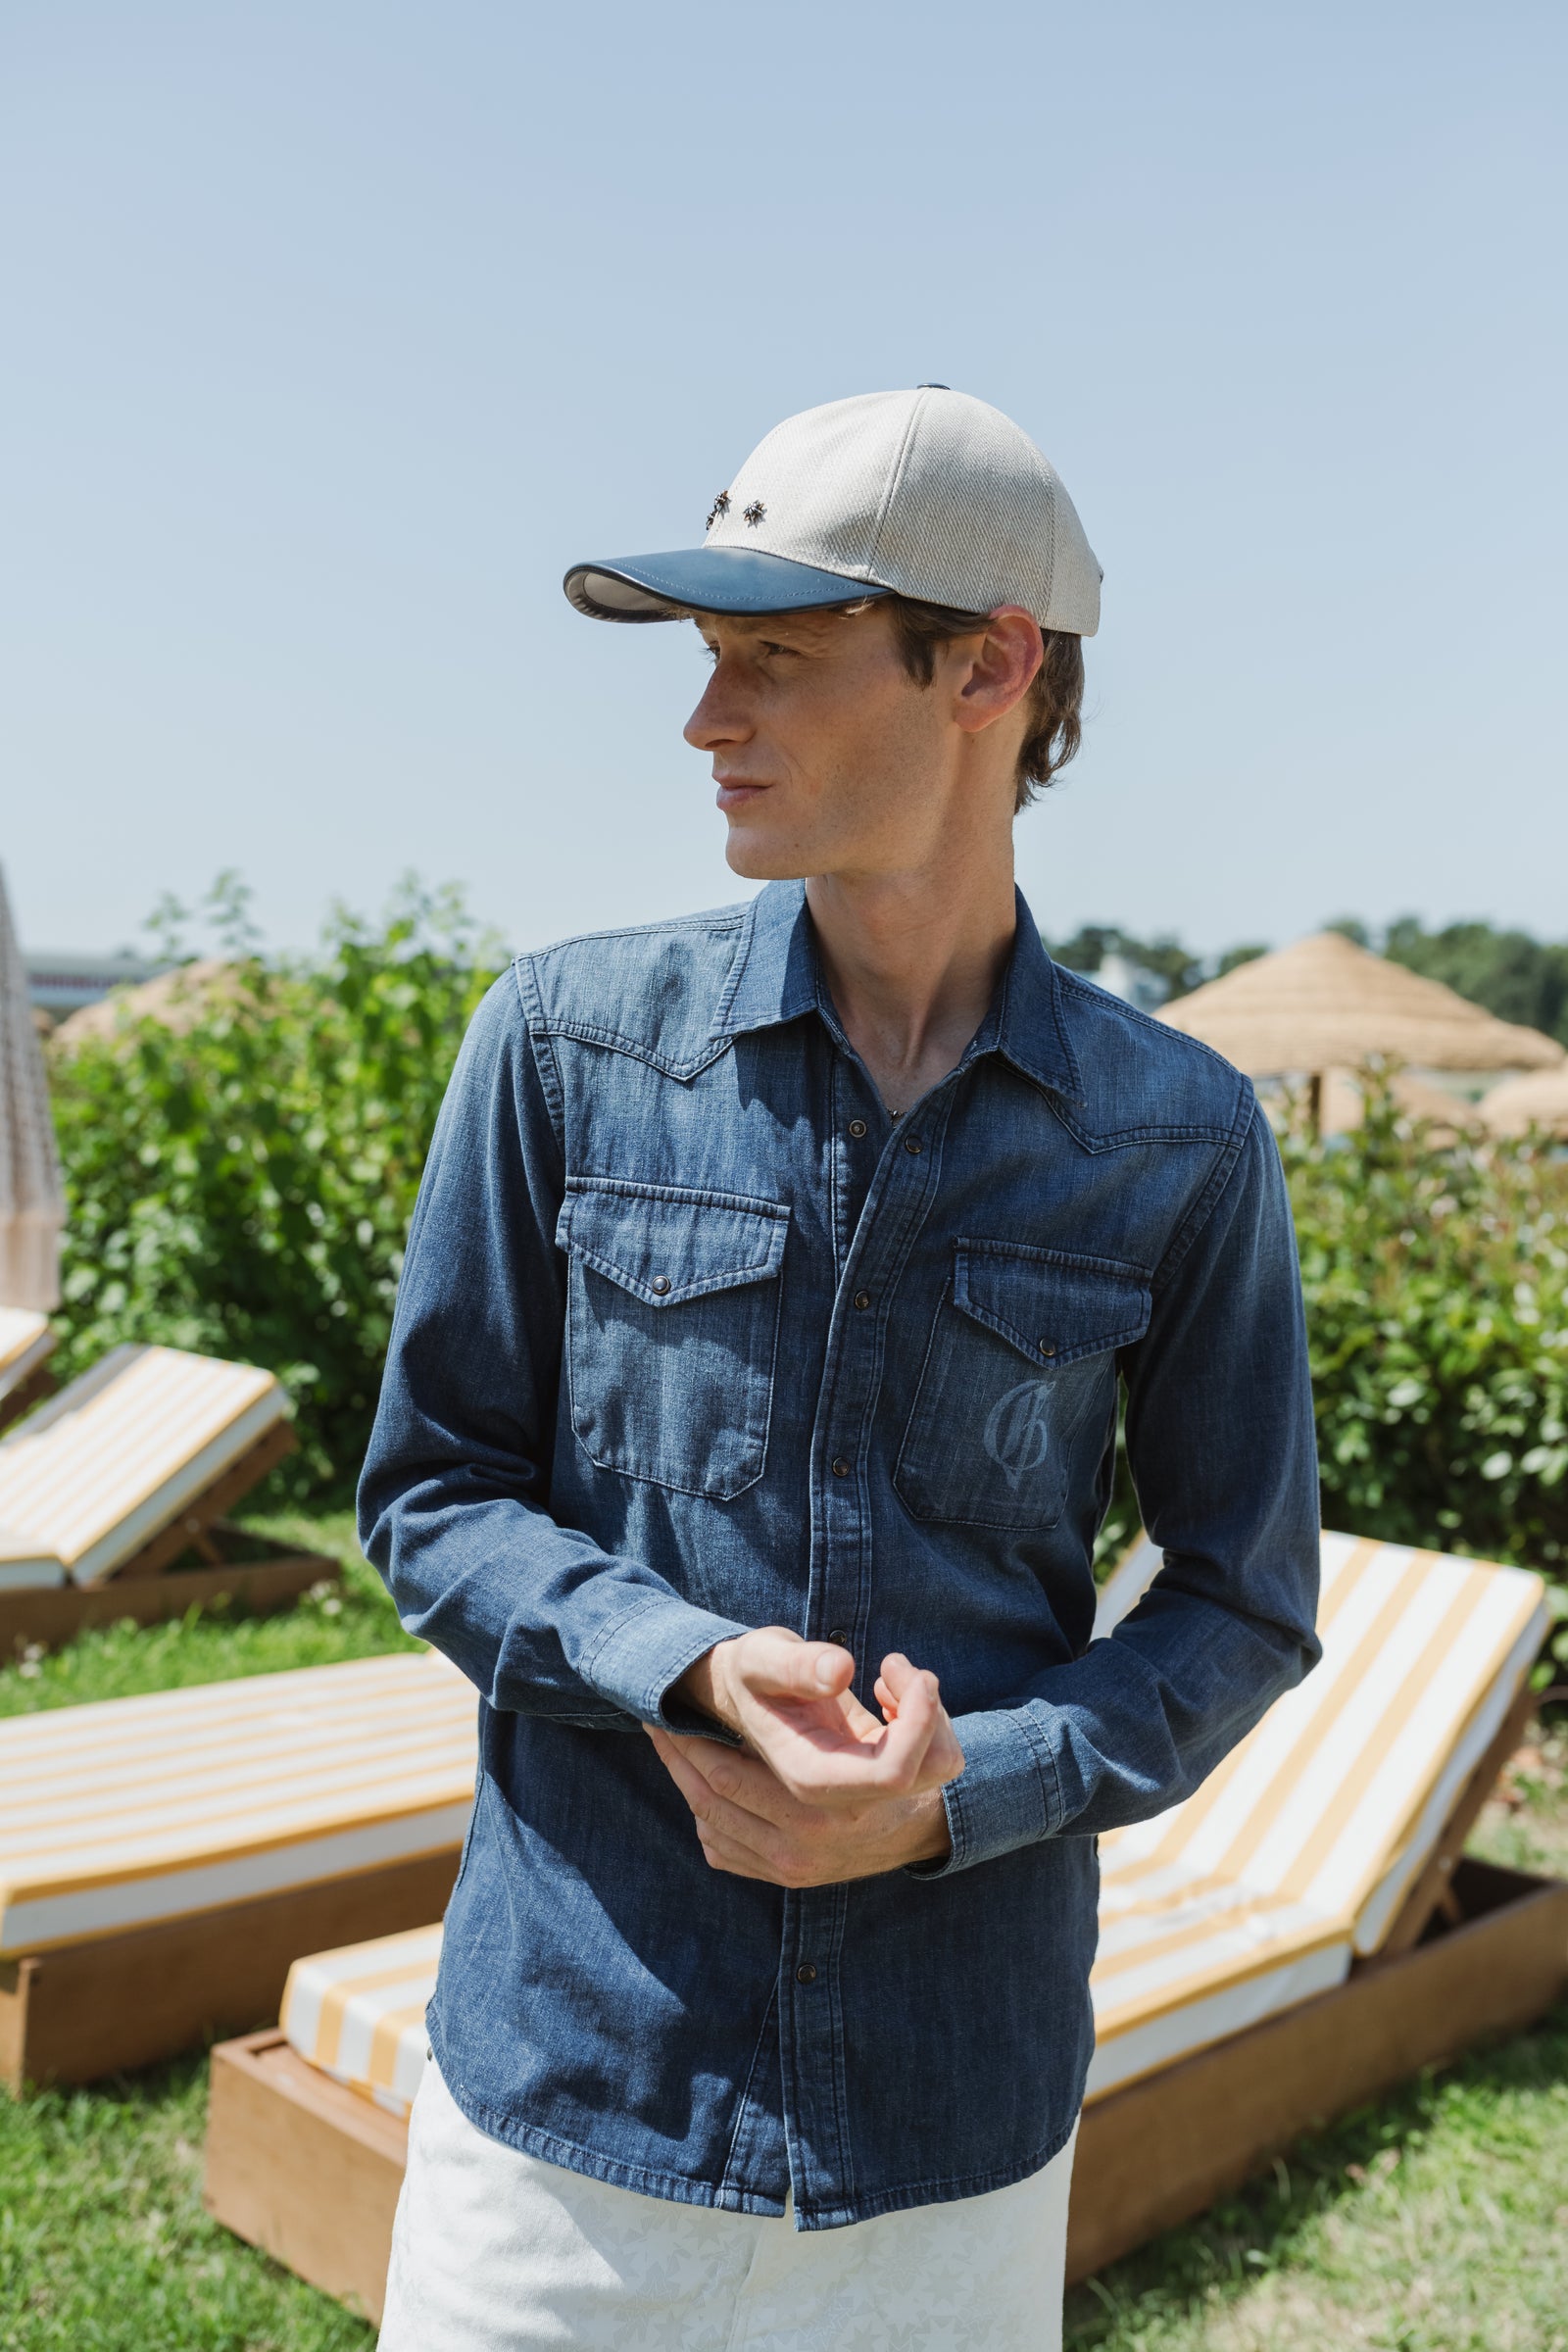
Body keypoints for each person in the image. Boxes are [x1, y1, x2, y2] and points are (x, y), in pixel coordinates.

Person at [361, 385, 1321, 2350]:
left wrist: (966, 1787)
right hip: (573, 2101)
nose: (705, 720)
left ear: (989, 666)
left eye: (773, 661)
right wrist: (683, 1661)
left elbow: (1241, 1599)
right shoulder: (560, 1047)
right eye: (705, 660)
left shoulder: (1180, 1137)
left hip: (950, 2131)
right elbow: (432, 1490)